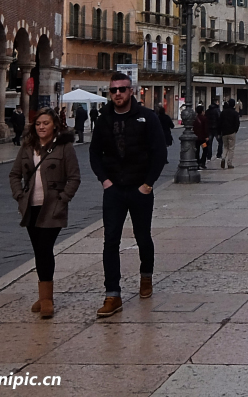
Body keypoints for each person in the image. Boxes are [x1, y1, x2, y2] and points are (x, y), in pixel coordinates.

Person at [89, 71, 168, 318]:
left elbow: (159, 153)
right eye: (113, 90)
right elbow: (94, 153)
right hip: (114, 189)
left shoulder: (147, 117)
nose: (117, 94)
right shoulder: (104, 119)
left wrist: (148, 184)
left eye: (122, 89)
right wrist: (105, 181)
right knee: (110, 240)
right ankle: (112, 294)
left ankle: (146, 276)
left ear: (131, 91)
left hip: (139, 188)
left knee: (142, 236)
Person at [8, 107, 80, 319]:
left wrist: (63, 199)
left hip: (52, 207)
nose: (41, 127)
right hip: (31, 206)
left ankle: (47, 299)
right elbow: (14, 174)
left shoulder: (64, 147)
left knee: (45, 248)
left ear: (54, 125)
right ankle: (43, 294)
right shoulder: (28, 146)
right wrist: (19, 195)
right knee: (38, 251)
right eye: (38, 123)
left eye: (46, 123)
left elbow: (74, 177)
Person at [219, 99, 241, 169]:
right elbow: (237, 123)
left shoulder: (223, 112)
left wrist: (220, 131)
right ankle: (229, 163)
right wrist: (235, 130)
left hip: (224, 132)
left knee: (225, 147)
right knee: (231, 148)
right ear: (234, 105)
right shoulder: (235, 113)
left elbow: (220, 122)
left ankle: (223, 158)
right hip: (232, 132)